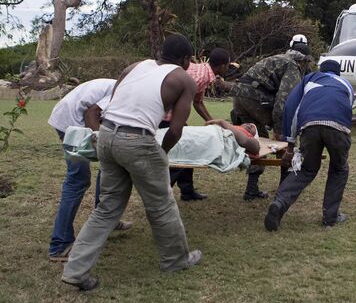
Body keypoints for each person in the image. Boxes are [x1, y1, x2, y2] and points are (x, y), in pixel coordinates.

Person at [61, 34, 200, 292]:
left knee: (106, 208)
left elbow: (114, 104)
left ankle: (75, 269)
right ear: (186, 60)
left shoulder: (134, 67)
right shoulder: (183, 79)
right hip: (137, 140)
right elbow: (176, 129)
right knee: (161, 205)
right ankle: (176, 260)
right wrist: (160, 152)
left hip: (107, 136)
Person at [47, 79, 133, 262]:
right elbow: (91, 114)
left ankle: (106, 220)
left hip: (75, 117)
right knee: (78, 179)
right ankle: (59, 245)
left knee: (109, 169)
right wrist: (104, 144)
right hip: (70, 123)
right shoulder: (125, 89)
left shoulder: (127, 86)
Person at [264, 59, 354, 231]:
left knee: (306, 169)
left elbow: (291, 107)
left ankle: (279, 203)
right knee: (339, 168)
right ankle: (330, 217)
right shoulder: (345, 84)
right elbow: (347, 108)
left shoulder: (309, 79)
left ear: (321, 70)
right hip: (338, 127)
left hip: (309, 125)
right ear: (338, 73)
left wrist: (290, 145)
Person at [230, 37, 311, 200]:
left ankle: (251, 189)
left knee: (258, 143)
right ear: (304, 60)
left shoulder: (279, 59)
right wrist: (281, 130)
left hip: (239, 97)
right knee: (283, 142)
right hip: (254, 99)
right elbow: (284, 103)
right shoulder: (292, 66)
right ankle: (284, 189)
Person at [164, 48, 230, 201]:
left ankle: (187, 191)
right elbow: (177, 91)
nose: (228, 68)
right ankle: (163, 193)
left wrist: (212, 121)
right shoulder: (200, 76)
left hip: (173, 115)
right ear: (221, 66)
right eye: (227, 65)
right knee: (182, 153)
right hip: (167, 115)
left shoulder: (205, 74)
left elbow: (198, 102)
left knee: (189, 150)